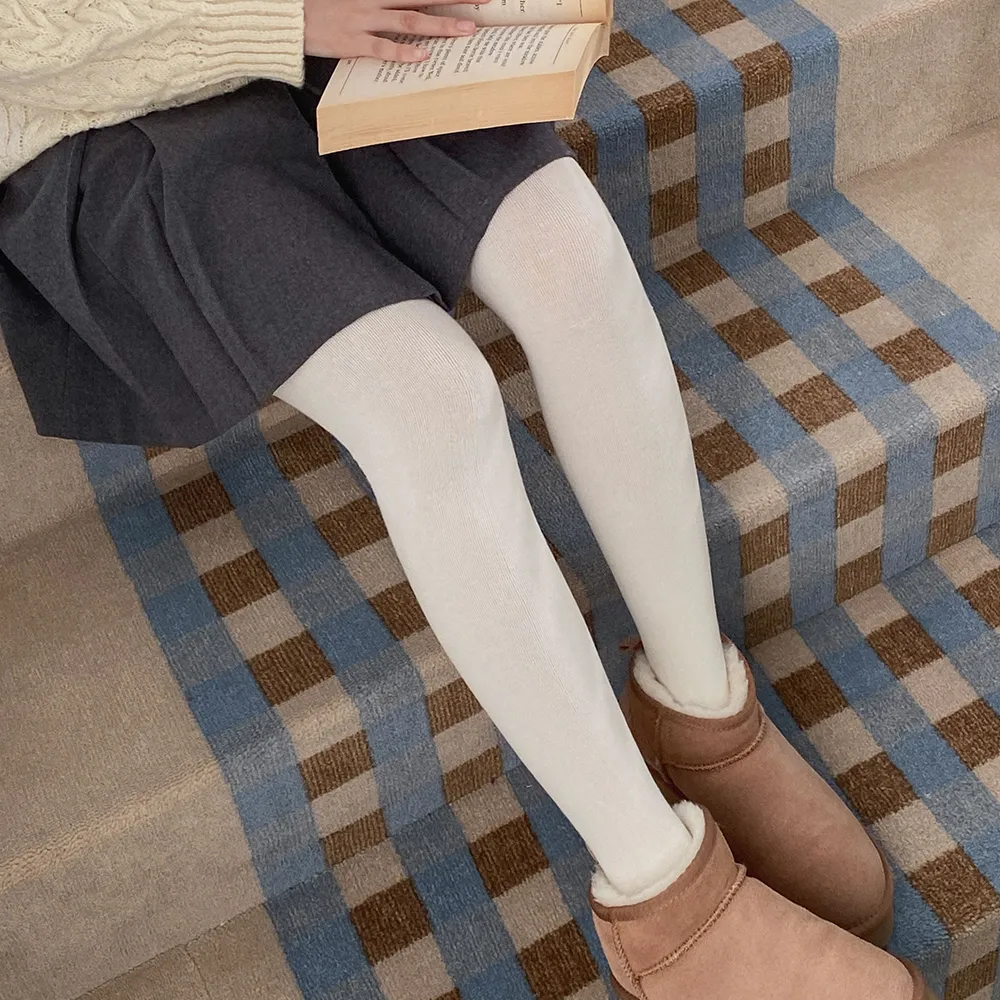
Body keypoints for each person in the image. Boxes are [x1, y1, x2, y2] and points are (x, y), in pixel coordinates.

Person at [0, 3, 933, 998]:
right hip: (99, 97)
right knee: (432, 398)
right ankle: (659, 893)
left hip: (333, 39)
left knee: (572, 256)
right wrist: (285, 17)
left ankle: (697, 710)